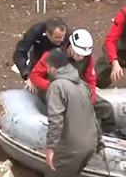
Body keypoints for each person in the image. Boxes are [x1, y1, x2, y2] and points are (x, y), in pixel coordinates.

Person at [29, 29, 117, 133]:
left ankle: (109, 133)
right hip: (55, 91)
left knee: (106, 108)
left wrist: (90, 98)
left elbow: (90, 80)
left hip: (76, 90)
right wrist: (51, 86)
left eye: (83, 55)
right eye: (78, 54)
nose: (81, 57)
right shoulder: (53, 56)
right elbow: (35, 76)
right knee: (70, 114)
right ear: (71, 46)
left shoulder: (87, 59)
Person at [43, 48, 102, 177]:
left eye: (47, 68)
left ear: (52, 68)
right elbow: (92, 114)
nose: (47, 71)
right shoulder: (83, 85)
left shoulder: (57, 86)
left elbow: (56, 120)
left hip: (71, 148)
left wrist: (51, 147)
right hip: (89, 145)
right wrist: (99, 140)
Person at [13, 18, 68, 93]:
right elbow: (20, 52)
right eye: (57, 37)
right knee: (32, 89)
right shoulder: (35, 32)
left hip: (58, 65)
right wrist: (27, 74)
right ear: (48, 34)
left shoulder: (69, 36)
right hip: (37, 62)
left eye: (63, 36)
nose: (62, 40)